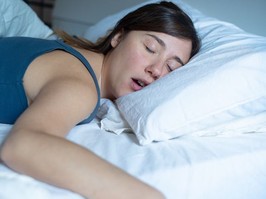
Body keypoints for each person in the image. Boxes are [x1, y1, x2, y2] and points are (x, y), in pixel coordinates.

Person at [0, 1, 200, 199]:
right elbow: (22, 146)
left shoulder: (77, 55)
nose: (156, 70)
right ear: (118, 37)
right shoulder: (79, 85)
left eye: (171, 68)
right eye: (150, 48)